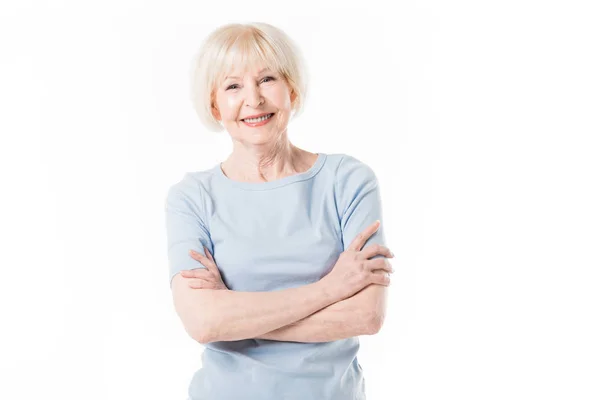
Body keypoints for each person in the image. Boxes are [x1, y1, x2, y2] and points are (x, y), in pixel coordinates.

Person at [164, 21, 395, 400]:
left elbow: (366, 316)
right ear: (214, 104)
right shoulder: (192, 197)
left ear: (292, 89)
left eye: (267, 78)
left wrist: (234, 317)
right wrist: (331, 289)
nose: (253, 99)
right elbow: (203, 321)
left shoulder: (347, 181)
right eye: (233, 85)